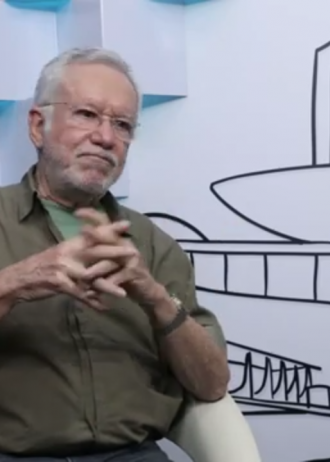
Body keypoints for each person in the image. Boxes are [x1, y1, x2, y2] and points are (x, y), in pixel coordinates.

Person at [0, 47, 230, 461]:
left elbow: (211, 385)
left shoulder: (152, 243)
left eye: (122, 125)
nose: (106, 137)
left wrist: (155, 297)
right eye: (87, 114)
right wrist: (14, 283)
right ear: (37, 125)